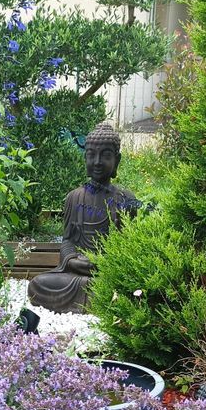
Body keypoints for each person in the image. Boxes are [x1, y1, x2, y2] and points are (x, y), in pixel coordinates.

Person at [28, 122, 139, 313]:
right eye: (91, 155)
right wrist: (71, 261)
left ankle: (97, 299)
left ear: (117, 161)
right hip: (76, 273)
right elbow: (68, 240)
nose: (97, 161)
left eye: (105, 155)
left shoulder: (125, 199)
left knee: (127, 290)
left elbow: (129, 246)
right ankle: (99, 303)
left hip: (107, 274)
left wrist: (103, 263)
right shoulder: (74, 197)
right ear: (85, 158)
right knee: (37, 285)